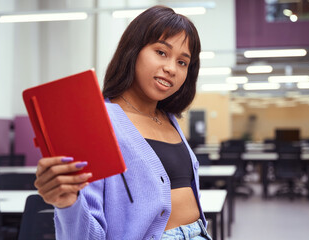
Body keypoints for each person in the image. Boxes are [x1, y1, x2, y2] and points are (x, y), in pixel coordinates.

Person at [34, 5, 212, 240]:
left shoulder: (168, 119)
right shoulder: (96, 123)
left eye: (182, 62)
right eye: (161, 52)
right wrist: (68, 205)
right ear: (133, 50)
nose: (171, 68)